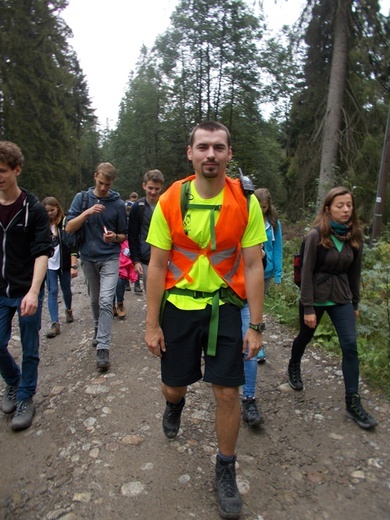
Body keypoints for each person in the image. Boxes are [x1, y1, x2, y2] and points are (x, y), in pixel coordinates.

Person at [145, 121, 266, 519]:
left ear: (230, 154)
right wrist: (151, 323)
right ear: (190, 153)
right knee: (173, 388)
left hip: (224, 307)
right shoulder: (169, 200)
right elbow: (157, 264)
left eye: (218, 147)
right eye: (203, 147)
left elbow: (252, 266)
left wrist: (256, 324)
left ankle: (226, 468)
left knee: (228, 393)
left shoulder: (244, 202)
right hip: (178, 307)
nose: (210, 154)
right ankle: (174, 405)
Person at [287, 186, 378, 430]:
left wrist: (355, 303)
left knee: (350, 345)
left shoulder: (354, 236)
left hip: (341, 298)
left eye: (349, 205)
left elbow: (354, 272)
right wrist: (307, 307)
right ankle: (294, 364)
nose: (346, 209)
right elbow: (305, 273)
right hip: (314, 297)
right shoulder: (316, 235)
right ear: (328, 209)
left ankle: (352, 402)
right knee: (305, 337)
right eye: (340, 205)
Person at [0, 141, 52, 431]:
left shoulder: (33, 208)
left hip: (26, 289)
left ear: (17, 170)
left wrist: (33, 291)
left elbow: (42, 252)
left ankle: (25, 397)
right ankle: (12, 380)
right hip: (0, 290)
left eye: (3, 171)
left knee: (30, 346)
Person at [66, 162, 127, 371]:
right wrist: (87, 213)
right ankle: (97, 328)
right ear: (95, 177)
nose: (103, 188)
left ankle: (103, 347)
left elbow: (123, 235)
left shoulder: (117, 204)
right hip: (88, 258)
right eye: (100, 183)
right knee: (94, 300)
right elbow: (69, 227)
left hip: (110, 257)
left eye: (107, 185)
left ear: (112, 183)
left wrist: (114, 237)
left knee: (104, 300)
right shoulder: (82, 199)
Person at [42, 196, 78, 337]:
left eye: (52, 210)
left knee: (66, 289)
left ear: (57, 208)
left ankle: (68, 309)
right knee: (52, 291)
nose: (50, 213)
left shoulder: (64, 223)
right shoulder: (42, 225)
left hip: (63, 263)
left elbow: (71, 243)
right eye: (47, 211)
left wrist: (73, 265)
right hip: (49, 264)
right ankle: (55, 323)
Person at [254, 188, 283, 362]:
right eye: (258, 206)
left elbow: (278, 248)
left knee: (258, 308)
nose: (261, 210)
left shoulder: (273, 223)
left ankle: (258, 345)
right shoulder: (246, 218)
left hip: (266, 272)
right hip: (247, 271)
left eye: (264, 207)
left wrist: (278, 273)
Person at [128, 170, 164, 292]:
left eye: (156, 189)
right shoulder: (137, 207)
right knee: (151, 294)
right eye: (150, 188)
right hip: (145, 259)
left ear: (161, 188)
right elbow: (132, 235)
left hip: (166, 258)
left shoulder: (166, 204)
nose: (153, 192)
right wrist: (136, 260)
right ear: (144, 186)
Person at [113, 239, 138, 319]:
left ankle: (120, 304)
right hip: (105, 251)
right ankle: (111, 305)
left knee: (119, 281)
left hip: (120, 249)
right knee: (108, 284)